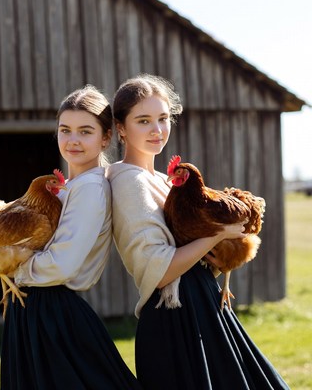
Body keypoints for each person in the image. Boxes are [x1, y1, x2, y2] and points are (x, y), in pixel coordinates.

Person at [107, 74, 289, 389]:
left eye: (163, 119)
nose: (157, 129)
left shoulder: (164, 181)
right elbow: (159, 270)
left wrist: (218, 255)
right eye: (144, 120)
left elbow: (191, 258)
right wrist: (218, 235)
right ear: (121, 128)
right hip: (174, 316)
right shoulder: (128, 181)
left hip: (198, 303)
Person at [1, 85, 142, 389]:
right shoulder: (67, 188)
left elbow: (62, 265)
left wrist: (12, 268)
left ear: (106, 138)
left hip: (53, 312)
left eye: (85, 131)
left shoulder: (90, 188)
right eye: (65, 130)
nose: (72, 140)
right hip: (39, 308)